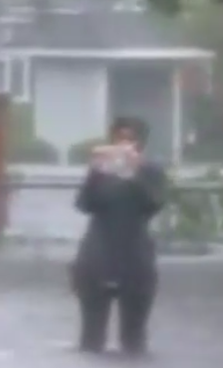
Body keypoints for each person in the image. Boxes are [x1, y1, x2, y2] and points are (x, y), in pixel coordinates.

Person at [71, 116, 166, 355]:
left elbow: (153, 204)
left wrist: (134, 175)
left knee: (134, 339)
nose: (124, 144)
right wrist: (96, 173)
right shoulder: (102, 170)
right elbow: (84, 204)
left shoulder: (151, 170)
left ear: (140, 144)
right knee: (91, 339)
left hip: (136, 256)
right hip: (97, 254)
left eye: (130, 140)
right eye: (119, 138)